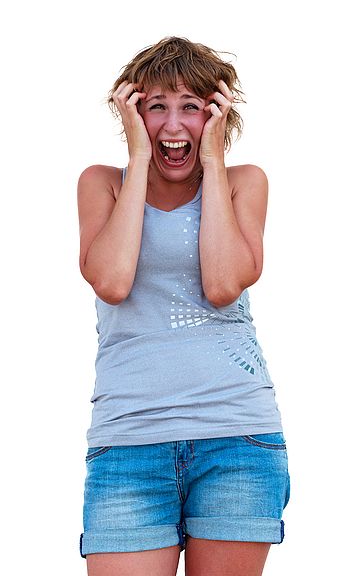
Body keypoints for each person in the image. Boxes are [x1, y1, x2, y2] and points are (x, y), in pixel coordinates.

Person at [77, 36, 290, 576]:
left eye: (191, 107)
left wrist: (213, 159)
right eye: (156, 107)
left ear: (217, 115)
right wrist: (140, 159)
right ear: (132, 114)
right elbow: (112, 281)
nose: (174, 126)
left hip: (235, 438)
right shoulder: (101, 184)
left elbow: (223, 284)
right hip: (128, 443)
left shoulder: (244, 183)